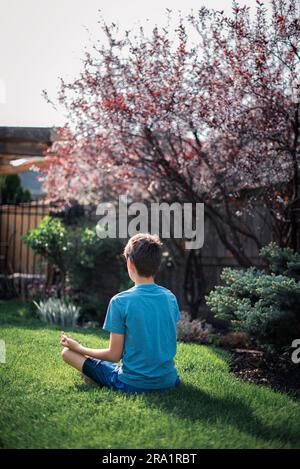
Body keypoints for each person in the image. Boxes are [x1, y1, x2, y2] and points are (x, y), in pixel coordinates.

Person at [60, 232, 182, 394]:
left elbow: (113, 355)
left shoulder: (120, 301)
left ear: (130, 263)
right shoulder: (170, 298)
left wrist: (79, 347)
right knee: (105, 364)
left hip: (132, 384)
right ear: (157, 264)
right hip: (169, 381)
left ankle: (94, 375)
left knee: (67, 353)